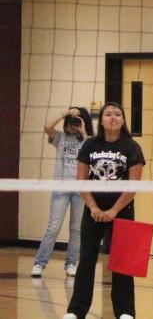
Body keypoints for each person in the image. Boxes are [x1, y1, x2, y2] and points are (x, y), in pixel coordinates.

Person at [63, 102, 144, 319]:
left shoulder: (132, 147)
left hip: (123, 209)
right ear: (102, 120)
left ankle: (126, 312)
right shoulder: (90, 145)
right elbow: (82, 181)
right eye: (108, 114)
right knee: (87, 260)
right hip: (93, 211)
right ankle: (76, 311)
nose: (113, 117)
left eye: (118, 114)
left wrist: (114, 210)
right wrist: (93, 207)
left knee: (123, 262)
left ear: (123, 120)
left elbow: (133, 186)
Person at [33, 106, 92, 278]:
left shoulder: (88, 141)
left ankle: (71, 264)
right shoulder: (60, 137)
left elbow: (92, 152)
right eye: (72, 120)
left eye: (78, 120)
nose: (74, 123)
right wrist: (66, 113)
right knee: (53, 227)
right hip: (61, 189)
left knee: (76, 229)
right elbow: (47, 128)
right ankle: (39, 263)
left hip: (80, 191)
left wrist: (83, 130)